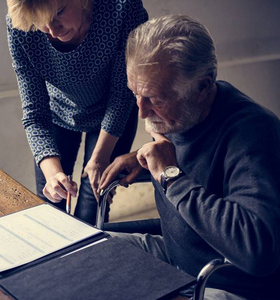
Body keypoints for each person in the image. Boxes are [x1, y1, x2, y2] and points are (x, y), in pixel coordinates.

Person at [99, 15, 280, 299]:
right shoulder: (179, 114)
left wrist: (169, 175)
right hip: (174, 257)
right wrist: (144, 159)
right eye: (135, 93)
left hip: (224, 283)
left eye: (155, 99)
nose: (142, 112)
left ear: (203, 88)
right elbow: (197, 165)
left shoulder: (254, 134)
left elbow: (258, 251)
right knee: (84, 253)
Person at [6, 0, 148, 224]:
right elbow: (34, 114)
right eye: (41, 23)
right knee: (51, 208)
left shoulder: (122, 7)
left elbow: (122, 94)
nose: (52, 31)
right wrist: (53, 175)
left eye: (59, 13)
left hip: (113, 114)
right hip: (57, 112)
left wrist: (100, 158)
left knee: (91, 211)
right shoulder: (23, 26)